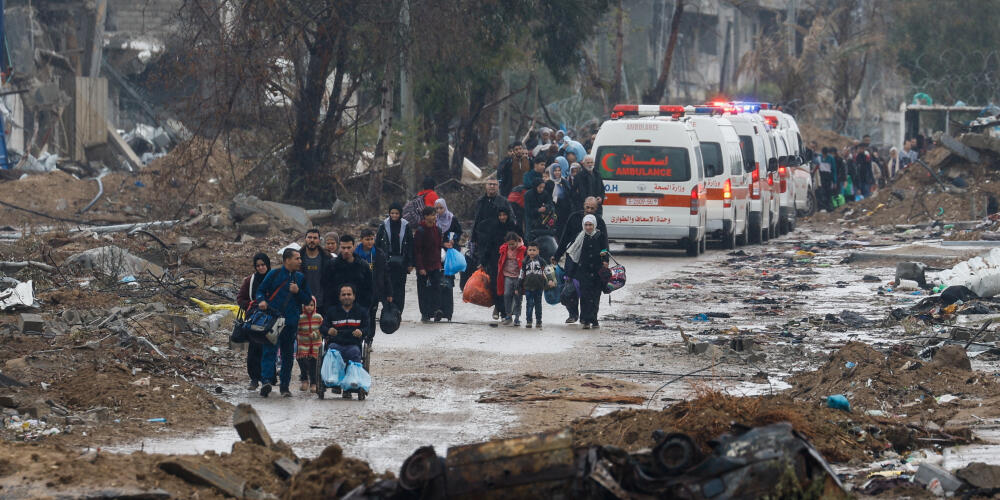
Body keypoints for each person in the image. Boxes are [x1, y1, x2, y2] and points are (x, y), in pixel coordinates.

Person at [255, 248, 313, 398]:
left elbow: (307, 299)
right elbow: (260, 291)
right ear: (287, 260)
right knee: (269, 351)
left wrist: (297, 291)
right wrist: (261, 301)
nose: (300, 261)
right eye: (297, 258)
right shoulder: (273, 274)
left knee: (288, 355)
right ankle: (266, 381)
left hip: (291, 322)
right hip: (273, 320)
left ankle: (285, 386)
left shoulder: (300, 278)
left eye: (300, 258)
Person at [553, 198, 607, 323]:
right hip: (573, 258)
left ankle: (586, 317)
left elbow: (604, 243)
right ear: (583, 206)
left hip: (591, 262)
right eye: (587, 207)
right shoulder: (574, 217)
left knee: (588, 290)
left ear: (596, 209)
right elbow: (565, 238)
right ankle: (573, 314)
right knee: (570, 287)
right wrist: (557, 256)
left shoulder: (599, 222)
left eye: (592, 208)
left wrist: (605, 260)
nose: (589, 210)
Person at [319, 284, 369, 398]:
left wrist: (361, 331)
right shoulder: (332, 311)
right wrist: (328, 330)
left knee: (355, 352)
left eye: (349, 294)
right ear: (339, 297)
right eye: (344, 294)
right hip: (336, 343)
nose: (346, 297)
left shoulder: (361, 311)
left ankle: (351, 384)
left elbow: (367, 328)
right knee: (332, 350)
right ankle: (334, 379)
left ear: (354, 296)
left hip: (353, 344)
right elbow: (322, 328)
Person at [476, 206, 521, 320]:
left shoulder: (514, 227)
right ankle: (499, 308)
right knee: (496, 286)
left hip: (511, 263)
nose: (502, 217)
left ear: (508, 215)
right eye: (500, 215)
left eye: (504, 215)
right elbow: (488, 246)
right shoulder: (494, 228)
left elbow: (522, 243)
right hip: (496, 261)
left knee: (510, 288)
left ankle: (507, 312)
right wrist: (483, 262)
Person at [236, 253, 271, 391]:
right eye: (258, 266)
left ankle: (267, 378)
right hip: (254, 320)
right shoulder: (250, 281)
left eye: (263, 265)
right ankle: (254, 379)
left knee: (268, 349)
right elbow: (240, 298)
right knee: (254, 349)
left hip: (271, 320)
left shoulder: (274, 279)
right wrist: (251, 305)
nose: (261, 268)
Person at [568, 215, 609, 329]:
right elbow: (574, 256)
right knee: (585, 296)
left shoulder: (600, 236)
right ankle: (586, 320)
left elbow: (605, 249)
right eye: (586, 225)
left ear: (594, 225)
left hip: (597, 271)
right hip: (584, 271)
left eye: (590, 225)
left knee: (595, 296)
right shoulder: (580, 237)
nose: (588, 227)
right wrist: (570, 273)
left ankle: (594, 319)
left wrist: (605, 261)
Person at [376, 203, 414, 312]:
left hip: (402, 262)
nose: (394, 215)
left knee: (400, 287)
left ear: (400, 214)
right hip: (386, 262)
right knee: (387, 285)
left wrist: (411, 263)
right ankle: (388, 310)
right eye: (392, 213)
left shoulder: (406, 225)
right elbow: (378, 244)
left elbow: (411, 245)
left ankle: (398, 311)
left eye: (396, 213)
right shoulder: (383, 225)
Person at [354, 228, 392, 336]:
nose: (370, 242)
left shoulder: (379, 254)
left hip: (374, 291)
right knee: (359, 315)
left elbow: (385, 274)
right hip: (358, 291)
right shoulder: (355, 254)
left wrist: (389, 293)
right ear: (361, 240)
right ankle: (360, 338)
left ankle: (370, 338)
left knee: (371, 315)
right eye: (367, 239)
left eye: (371, 239)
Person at [324, 235, 373, 316]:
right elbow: (326, 288)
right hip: (336, 311)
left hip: (359, 310)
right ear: (339, 247)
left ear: (354, 247)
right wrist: (330, 309)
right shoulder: (331, 265)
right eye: (343, 248)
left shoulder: (363, 265)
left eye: (349, 247)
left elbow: (369, 289)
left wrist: (365, 308)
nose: (346, 251)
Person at [414, 206, 444, 322]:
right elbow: (417, 251)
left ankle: (436, 310)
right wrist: (420, 267)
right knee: (423, 291)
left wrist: (439, 263)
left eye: (434, 214)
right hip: (424, 266)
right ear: (425, 217)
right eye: (431, 215)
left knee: (436, 288)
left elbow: (438, 247)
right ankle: (425, 313)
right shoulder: (420, 231)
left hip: (435, 265)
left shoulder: (438, 230)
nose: (434, 217)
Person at [470, 179, 515, 252]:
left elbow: (511, 219)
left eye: (494, 184)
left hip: (499, 238)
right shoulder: (480, 201)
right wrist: (473, 238)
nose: (492, 186)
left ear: (498, 187)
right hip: (482, 238)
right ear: (486, 186)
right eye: (490, 184)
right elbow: (476, 220)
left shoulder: (503, 201)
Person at [497, 232, 526, 326]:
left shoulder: (523, 250)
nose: (511, 246)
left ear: (517, 242)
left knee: (518, 297)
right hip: (507, 275)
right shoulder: (504, 249)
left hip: (518, 277)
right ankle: (508, 316)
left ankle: (517, 318)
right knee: (506, 295)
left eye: (513, 244)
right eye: (509, 244)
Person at [520, 241, 550, 329]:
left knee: (538, 304)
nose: (532, 252)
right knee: (529, 304)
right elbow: (521, 274)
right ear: (527, 251)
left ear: (538, 251)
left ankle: (539, 321)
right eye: (530, 250)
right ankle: (529, 321)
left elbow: (547, 270)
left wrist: (550, 280)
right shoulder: (525, 261)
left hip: (539, 286)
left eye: (534, 250)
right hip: (528, 286)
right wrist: (519, 285)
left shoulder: (541, 261)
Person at [302, 228, 333, 310]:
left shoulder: (327, 258)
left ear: (319, 240)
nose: (312, 240)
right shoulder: (298, 257)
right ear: (305, 239)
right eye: (309, 237)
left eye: (315, 238)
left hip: (322, 303)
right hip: (303, 302)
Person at [296, 299, 323, 392]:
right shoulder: (300, 317)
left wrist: (315, 334)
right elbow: (297, 329)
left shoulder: (318, 317)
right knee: (301, 360)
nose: (309, 307)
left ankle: (313, 383)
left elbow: (322, 328)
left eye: (311, 305)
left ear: (314, 306)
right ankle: (304, 380)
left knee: (313, 364)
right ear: (303, 306)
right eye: (307, 305)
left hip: (315, 344)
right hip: (303, 343)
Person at [524, 177, 554, 242]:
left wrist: (546, 207)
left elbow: (550, 204)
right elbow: (527, 210)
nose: (541, 189)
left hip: (542, 220)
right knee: (531, 238)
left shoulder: (545, 193)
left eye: (543, 187)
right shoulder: (528, 194)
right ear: (535, 186)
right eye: (540, 187)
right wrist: (538, 210)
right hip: (531, 220)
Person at [439, 233, 459, 321]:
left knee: (448, 291)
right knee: (438, 290)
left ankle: (448, 313)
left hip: (448, 270)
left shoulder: (452, 230)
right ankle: (438, 311)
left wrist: (451, 246)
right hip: (437, 269)